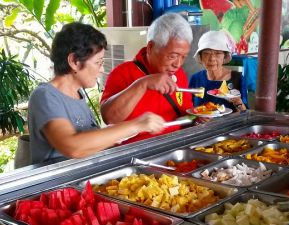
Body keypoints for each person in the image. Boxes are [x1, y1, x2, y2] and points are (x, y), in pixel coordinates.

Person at [28, 22, 165, 164]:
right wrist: (136, 125)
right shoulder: (45, 96)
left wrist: (121, 136)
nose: (101, 70)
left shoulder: (77, 94)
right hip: (61, 184)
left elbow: (90, 142)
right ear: (74, 61)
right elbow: (73, 147)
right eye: (98, 62)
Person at [100, 13, 193, 144]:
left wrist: (198, 118)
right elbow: (110, 118)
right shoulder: (122, 73)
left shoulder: (178, 74)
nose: (177, 64)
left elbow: (185, 113)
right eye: (173, 56)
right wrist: (143, 84)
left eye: (183, 57)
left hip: (175, 148)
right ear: (151, 47)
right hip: (135, 155)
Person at [189, 30, 246, 112]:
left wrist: (238, 103)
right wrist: (197, 118)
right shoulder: (195, 79)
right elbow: (188, 109)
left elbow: (244, 114)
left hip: (228, 125)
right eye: (207, 53)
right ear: (201, 57)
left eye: (218, 53)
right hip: (202, 125)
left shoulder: (237, 78)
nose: (212, 58)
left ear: (224, 56)